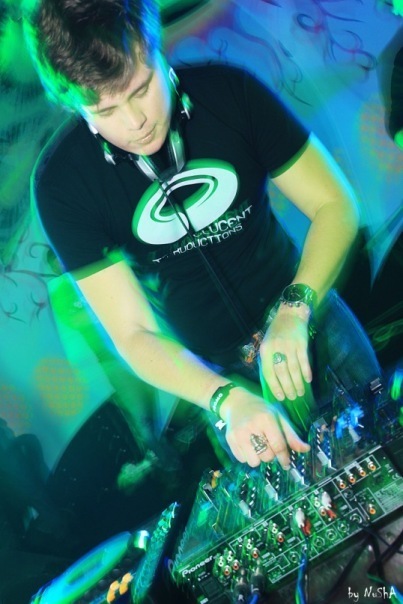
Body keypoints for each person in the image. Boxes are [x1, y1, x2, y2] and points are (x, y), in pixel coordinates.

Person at [23, 0, 382, 470]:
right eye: (103, 109)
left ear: (157, 46)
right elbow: (133, 333)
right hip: (211, 374)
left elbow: (335, 204)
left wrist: (296, 308)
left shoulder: (230, 92)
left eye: (141, 88)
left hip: (311, 316)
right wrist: (225, 398)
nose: (134, 122)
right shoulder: (62, 184)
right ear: (70, 102)